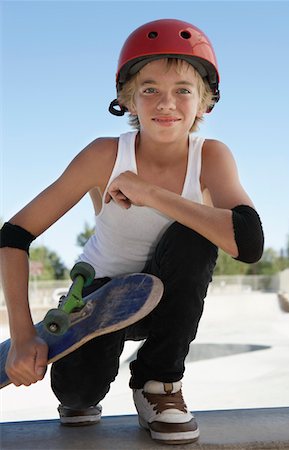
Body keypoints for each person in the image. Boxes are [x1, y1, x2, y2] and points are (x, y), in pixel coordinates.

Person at [0, 18, 264, 445]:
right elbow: (14, 234)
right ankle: (80, 390)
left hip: (168, 300)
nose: (166, 103)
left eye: (183, 90)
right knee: (78, 395)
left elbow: (248, 243)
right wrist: (24, 334)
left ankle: (159, 385)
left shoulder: (212, 156)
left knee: (196, 232)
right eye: (150, 89)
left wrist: (150, 193)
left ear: (204, 104)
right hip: (101, 303)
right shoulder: (106, 154)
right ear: (128, 100)